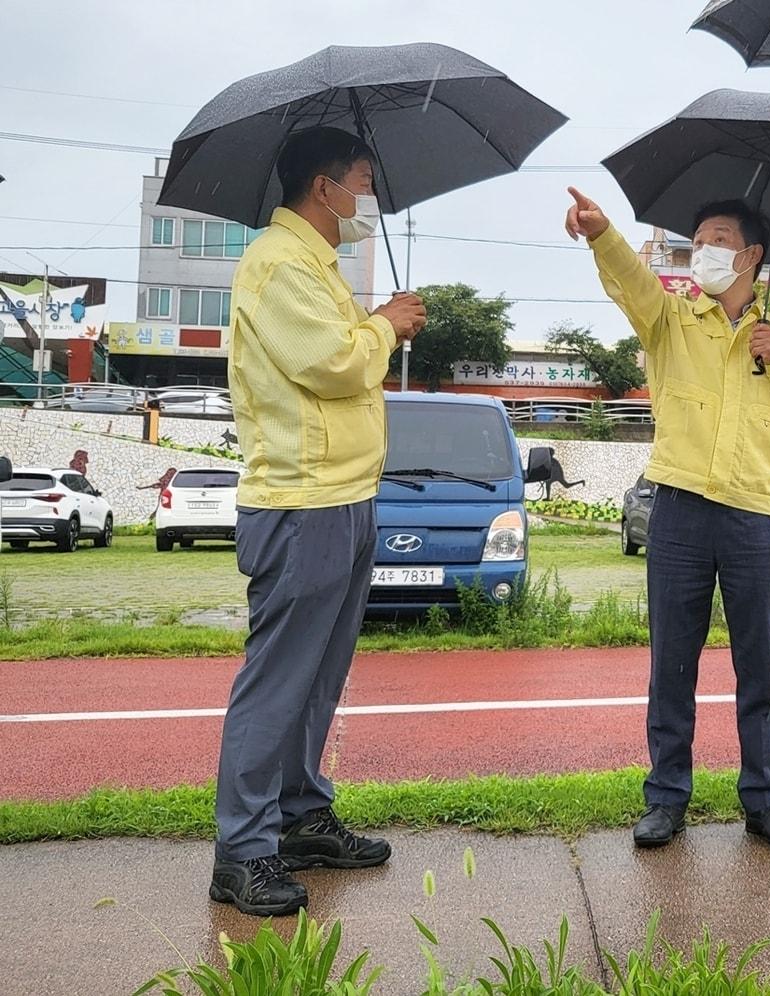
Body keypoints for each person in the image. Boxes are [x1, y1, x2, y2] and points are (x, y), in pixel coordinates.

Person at [565, 187, 770, 850]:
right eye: (699, 240)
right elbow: (633, 284)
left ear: (752, 255)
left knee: (759, 668)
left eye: (717, 239)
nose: (703, 251)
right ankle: (666, 798)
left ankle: (764, 799)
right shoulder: (672, 321)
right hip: (678, 508)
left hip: (755, 516)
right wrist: (602, 235)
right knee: (672, 662)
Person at [211, 126, 426, 916]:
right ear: (324, 187)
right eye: (363, 180)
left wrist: (373, 322)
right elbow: (332, 364)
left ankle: (300, 817)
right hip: (302, 503)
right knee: (277, 685)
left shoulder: (313, 265)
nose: (369, 196)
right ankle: (242, 851)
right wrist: (386, 325)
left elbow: (337, 349)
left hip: (342, 495)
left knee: (317, 679)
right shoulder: (275, 261)